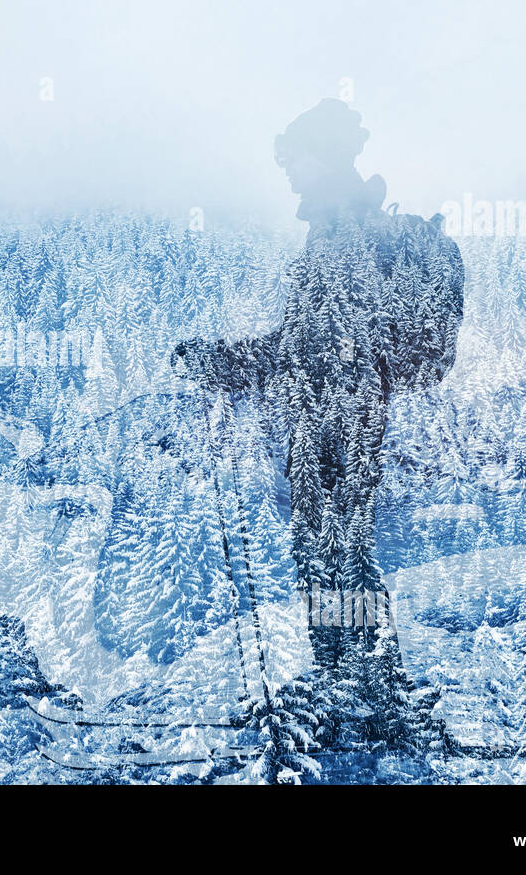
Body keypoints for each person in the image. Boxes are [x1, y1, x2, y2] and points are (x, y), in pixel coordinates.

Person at [174, 99, 464, 684]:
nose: (285, 168)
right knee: (341, 551)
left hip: (337, 412)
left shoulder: (340, 232)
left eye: (292, 154)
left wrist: (231, 364)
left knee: (335, 552)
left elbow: (314, 344)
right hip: (341, 407)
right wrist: (234, 362)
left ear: (322, 156)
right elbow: (307, 340)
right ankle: (365, 681)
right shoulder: (339, 227)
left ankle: (356, 684)